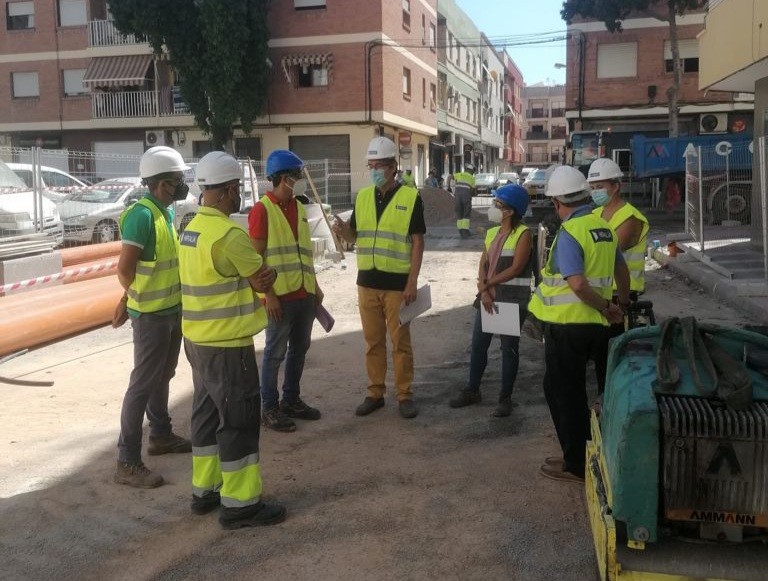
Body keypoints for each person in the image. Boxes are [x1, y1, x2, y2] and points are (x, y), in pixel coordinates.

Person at [178, 151, 286, 529]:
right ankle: (241, 505)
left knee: (206, 416)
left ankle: (205, 491)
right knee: (238, 419)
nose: (239, 195)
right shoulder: (229, 235)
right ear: (223, 192)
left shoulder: (190, 229)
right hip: (227, 345)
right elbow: (263, 277)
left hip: (196, 341)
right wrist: (257, 277)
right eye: (236, 189)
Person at [527, 165, 630, 484]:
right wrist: (619, 306)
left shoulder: (570, 232)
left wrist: (606, 307)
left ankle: (576, 464)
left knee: (565, 394)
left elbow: (578, 285)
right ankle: (590, 453)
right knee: (595, 391)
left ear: (558, 203)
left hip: (569, 328)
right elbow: (621, 271)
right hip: (598, 328)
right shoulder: (604, 227)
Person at [112, 145, 192, 489]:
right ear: (162, 183)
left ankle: (160, 435)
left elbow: (154, 267)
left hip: (171, 311)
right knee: (142, 384)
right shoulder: (142, 215)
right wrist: (130, 300)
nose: (183, 186)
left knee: (165, 374)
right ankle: (126, 460)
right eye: (178, 180)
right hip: (151, 317)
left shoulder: (166, 212)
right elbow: (125, 269)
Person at [333, 136, 426, 419]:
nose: (374, 170)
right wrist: (343, 231)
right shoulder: (362, 197)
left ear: (393, 167)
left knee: (400, 343)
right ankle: (375, 393)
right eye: (370, 165)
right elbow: (354, 236)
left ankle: (404, 394)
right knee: (372, 343)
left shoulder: (410, 197)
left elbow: (418, 242)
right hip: (367, 284)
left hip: (397, 286)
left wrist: (412, 282)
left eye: (379, 165)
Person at [247, 150, 324, 433]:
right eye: (297, 176)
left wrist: (314, 286)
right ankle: (269, 408)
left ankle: (291, 400)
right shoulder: (261, 210)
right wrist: (268, 296)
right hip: (279, 299)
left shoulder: (299, 208)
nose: (300, 181)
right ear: (283, 178)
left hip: (303, 295)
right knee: (274, 354)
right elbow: (255, 261)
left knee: (299, 350)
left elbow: (304, 254)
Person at [449, 184, 533, 417]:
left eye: (498, 204)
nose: (494, 208)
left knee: (508, 349)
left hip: (511, 300)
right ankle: (472, 390)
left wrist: (487, 284)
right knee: (478, 346)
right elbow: (483, 264)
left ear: (510, 210)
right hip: (489, 298)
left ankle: (505, 398)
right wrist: (484, 289)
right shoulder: (492, 233)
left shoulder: (523, 234)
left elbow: (516, 268)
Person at [587, 158, 649, 334]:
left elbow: (608, 253)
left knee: (613, 344)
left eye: (600, 187)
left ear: (616, 186)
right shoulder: (595, 213)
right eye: (592, 188)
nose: (595, 192)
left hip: (620, 294)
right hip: (598, 291)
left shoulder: (630, 217)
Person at [452, 163, 476, 238]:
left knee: (459, 213)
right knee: (466, 213)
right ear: (471, 171)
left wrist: (450, 187)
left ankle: (460, 230)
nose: (473, 173)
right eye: (473, 172)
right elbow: (473, 190)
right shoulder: (472, 178)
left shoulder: (460, 174)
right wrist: (473, 193)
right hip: (466, 197)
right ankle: (465, 231)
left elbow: (450, 176)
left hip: (457, 197)